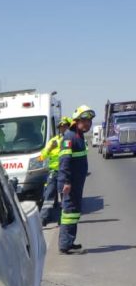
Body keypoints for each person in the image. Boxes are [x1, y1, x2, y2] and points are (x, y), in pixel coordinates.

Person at [58, 106, 95, 254]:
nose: (88, 124)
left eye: (90, 121)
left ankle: (69, 242)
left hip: (75, 183)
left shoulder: (79, 135)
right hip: (70, 183)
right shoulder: (69, 136)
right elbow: (65, 161)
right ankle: (65, 245)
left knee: (73, 213)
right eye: (85, 120)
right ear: (77, 120)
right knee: (69, 213)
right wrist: (66, 182)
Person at [38, 116, 71, 225]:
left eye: (65, 126)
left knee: (64, 196)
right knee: (48, 195)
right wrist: (49, 148)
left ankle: (62, 219)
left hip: (65, 172)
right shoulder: (53, 141)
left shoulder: (69, 140)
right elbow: (41, 158)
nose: (63, 129)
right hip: (53, 172)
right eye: (61, 127)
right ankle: (43, 218)